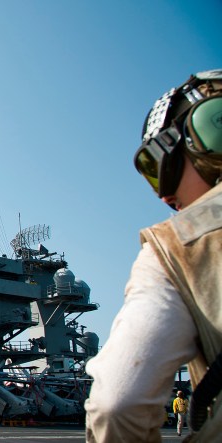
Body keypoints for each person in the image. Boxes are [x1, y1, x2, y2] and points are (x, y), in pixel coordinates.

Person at [85, 69, 222, 442]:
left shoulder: (178, 243)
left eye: (159, 164)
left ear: (208, 134)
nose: (164, 197)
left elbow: (117, 403)